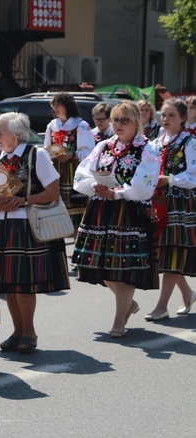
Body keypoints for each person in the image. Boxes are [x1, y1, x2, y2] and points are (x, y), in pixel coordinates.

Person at [72, 102, 159, 338]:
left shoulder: (147, 149)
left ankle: (119, 319)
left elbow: (145, 185)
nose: (118, 125)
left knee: (123, 267)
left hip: (128, 212)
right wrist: (93, 185)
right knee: (100, 265)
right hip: (100, 210)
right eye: (115, 120)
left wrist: (117, 193)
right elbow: (82, 173)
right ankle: (128, 305)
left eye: (124, 120)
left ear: (136, 122)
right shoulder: (104, 146)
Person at [0, 112, 70, 353]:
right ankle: (16, 332)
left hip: (26, 225)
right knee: (8, 284)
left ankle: (29, 332)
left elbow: (52, 192)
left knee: (23, 284)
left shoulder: (37, 154)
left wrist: (24, 200)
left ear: (17, 134)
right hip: (0, 226)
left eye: (0, 131)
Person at [144, 98, 196, 321]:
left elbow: (193, 176)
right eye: (163, 115)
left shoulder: (190, 143)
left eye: (171, 115)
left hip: (180, 204)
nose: (165, 119)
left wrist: (170, 180)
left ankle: (161, 306)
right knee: (163, 253)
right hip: (159, 202)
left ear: (182, 118)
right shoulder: (156, 143)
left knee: (172, 251)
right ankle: (187, 293)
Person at [44, 92, 95, 229]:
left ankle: (76, 244)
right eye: (53, 105)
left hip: (74, 171)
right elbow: (46, 148)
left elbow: (89, 152)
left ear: (67, 106)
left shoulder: (80, 125)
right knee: (56, 213)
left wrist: (71, 156)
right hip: (55, 171)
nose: (55, 108)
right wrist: (50, 154)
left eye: (58, 104)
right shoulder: (52, 126)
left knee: (76, 214)